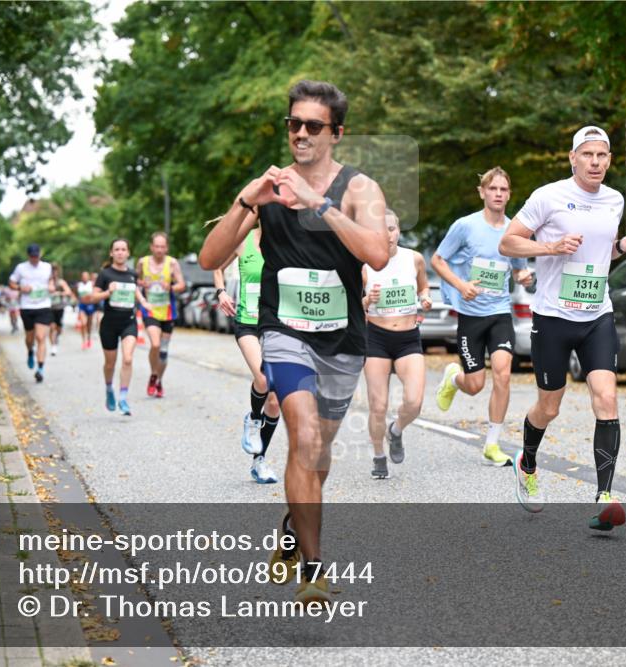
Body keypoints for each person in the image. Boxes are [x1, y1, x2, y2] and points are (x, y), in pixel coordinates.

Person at [199, 80, 388, 606]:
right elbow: (211, 258)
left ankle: (291, 528)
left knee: (318, 453)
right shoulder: (269, 187)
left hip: (343, 340)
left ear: (336, 133)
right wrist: (246, 201)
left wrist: (318, 204)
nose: (300, 133)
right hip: (283, 333)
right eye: (293, 124)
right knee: (302, 437)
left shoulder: (359, 189)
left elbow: (376, 253)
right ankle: (314, 569)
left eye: (313, 126)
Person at [499, 125, 626, 530]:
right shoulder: (548, 196)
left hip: (597, 314)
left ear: (609, 160)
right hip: (552, 316)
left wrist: (623, 247)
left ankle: (605, 498)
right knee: (549, 406)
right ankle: (527, 462)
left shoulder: (614, 200)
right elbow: (508, 242)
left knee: (607, 397)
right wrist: (549, 247)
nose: (595, 162)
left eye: (602, 155)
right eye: (587, 154)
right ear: (573, 158)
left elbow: (603, 250)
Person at [431, 167, 534, 466]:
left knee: (503, 373)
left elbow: (518, 269)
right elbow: (438, 260)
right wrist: (461, 285)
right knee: (475, 385)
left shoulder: (514, 230)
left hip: (500, 312)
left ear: (509, 194)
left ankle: (492, 444)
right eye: (493, 189)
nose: (498, 194)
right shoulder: (465, 226)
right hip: (471, 316)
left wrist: (523, 277)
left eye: (503, 189)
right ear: (482, 192)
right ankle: (454, 378)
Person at [362, 209, 431, 479]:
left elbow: (423, 287)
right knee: (378, 405)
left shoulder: (413, 259)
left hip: (407, 337)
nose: (387, 235)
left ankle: (396, 430)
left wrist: (425, 298)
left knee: (414, 402)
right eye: (381, 229)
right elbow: (352, 305)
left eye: (391, 229)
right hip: (376, 338)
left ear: (398, 231)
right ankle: (379, 456)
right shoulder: (365, 264)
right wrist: (367, 300)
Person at [213, 224, 281, 484]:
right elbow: (216, 265)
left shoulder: (286, 240)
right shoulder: (243, 240)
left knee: (275, 401)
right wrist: (221, 292)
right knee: (263, 379)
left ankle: (259, 460)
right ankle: (253, 419)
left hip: (277, 325)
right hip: (248, 323)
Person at [81, 238, 148, 416]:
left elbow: (136, 290)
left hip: (129, 322)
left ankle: (123, 398)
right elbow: (93, 297)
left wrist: (143, 302)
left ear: (128, 253)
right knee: (110, 364)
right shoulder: (105, 274)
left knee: (128, 359)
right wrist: (108, 292)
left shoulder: (133, 274)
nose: (120, 252)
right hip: (109, 324)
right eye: (116, 249)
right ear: (111, 253)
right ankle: (109, 388)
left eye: (123, 249)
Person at [137, 232, 186, 398]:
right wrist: (141, 283)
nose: (159, 250)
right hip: (150, 310)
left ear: (166, 248)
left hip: (168, 311)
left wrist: (171, 287)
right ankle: (153, 375)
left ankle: (158, 380)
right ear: (151, 247)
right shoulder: (142, 262)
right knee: (155, 344)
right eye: (156, 246)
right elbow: (134, 281)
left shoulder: (172, 263)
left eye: (162, 247)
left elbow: (182, 285)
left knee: (163, 351)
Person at [8, 244, 53, 383]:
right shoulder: (21, 268)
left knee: (41, 337)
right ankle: (30, 351)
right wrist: (20, 288)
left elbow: (51, 280)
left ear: (40, 254)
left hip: (43, 306)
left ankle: (40, 369)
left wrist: (51, 286)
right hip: (27, 306)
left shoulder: (47, 267)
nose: (35, 259)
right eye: (32, 256)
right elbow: (11, 283)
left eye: (37, 256)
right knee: (30, 338)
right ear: (28, 256)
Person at [48, 264, 74, 356]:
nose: (53, 273)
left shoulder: (61, 282)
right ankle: (53, 346)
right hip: (49, 308)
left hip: (59, 307)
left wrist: (59, 293)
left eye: (55, 271)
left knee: (58, 328)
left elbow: (69, 292)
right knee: (52, 327)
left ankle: (57, 337)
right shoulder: (47, 282)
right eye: (52, 271)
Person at [76, 271, 97, 349]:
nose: (84, 277)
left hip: (90, 305)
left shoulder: (92, 284)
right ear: (81, 277)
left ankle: (88, 338)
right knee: (83, 323)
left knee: (89, 324)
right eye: (83, 276)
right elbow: (77, 295)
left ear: (88, 277)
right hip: (82, 305)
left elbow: (95, 293)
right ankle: (83, 341)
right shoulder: (79, 285)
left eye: (86, 276)